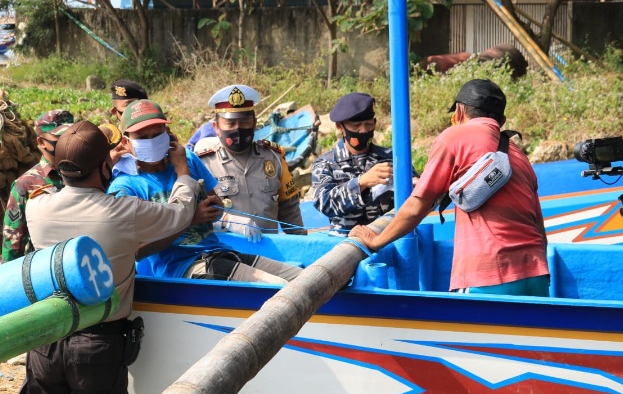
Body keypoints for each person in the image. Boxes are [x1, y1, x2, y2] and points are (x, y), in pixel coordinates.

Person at [19, 121, 199, 394]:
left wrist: (103, 162)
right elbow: (182, 212)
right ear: (105, 167)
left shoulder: (36, 205)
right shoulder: (125, 213)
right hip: (98, 344)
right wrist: (182, 170)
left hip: (46, 337)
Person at [350, 79, 549, 296]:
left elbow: (418, 205)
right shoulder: (519, 155)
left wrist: (377, 240)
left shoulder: (454, 137)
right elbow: (538, 225)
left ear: (460, 111)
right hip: (536, 272)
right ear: (501, 120)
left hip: (489, 272)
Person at [109, 98, 303, 284]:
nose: (151, 141)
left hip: (219, 251)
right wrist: (188, 220)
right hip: (184, 267)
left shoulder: (188, 160)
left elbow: (215, 203)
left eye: (157, 134)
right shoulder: (126, 187)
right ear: (126, 142)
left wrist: (216, 210)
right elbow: (135, 251)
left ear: (167, 132)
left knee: (300, 277)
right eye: (142, 137)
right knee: (277, 286)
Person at [197, 84, 306, 239]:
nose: (238, 129)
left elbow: (290, 209)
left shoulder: (273, 158)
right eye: (230, 123)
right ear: (216, 127)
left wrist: (302, 243)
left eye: (244, 122)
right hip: (226, 255)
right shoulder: (202, 163)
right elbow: (193, 215)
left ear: (255, 123)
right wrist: (227, 221)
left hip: (271, 255)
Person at [311, 92, 418, 236]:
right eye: (356, 125)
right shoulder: (326, 164)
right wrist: (360, 183)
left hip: (390, 240)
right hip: (346, 248)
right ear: (340, 127)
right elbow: (324, 203)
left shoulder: (393, 158)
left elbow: (420, 198)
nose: (364, 130)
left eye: (369, 124)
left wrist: (416, 185)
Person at [1, 109, 74, 262]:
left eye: (71, 136)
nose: (68, 142)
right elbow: (13, 243)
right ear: (41, 142)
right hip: (43, 267)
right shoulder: (26, 184)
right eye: (60, 137)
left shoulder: (85, 172)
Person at [110, 79, 148, 162]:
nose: (134, 114)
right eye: (128, 109)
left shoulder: (161, 135)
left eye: (138, 108)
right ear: (115, 112)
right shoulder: (109, 143)